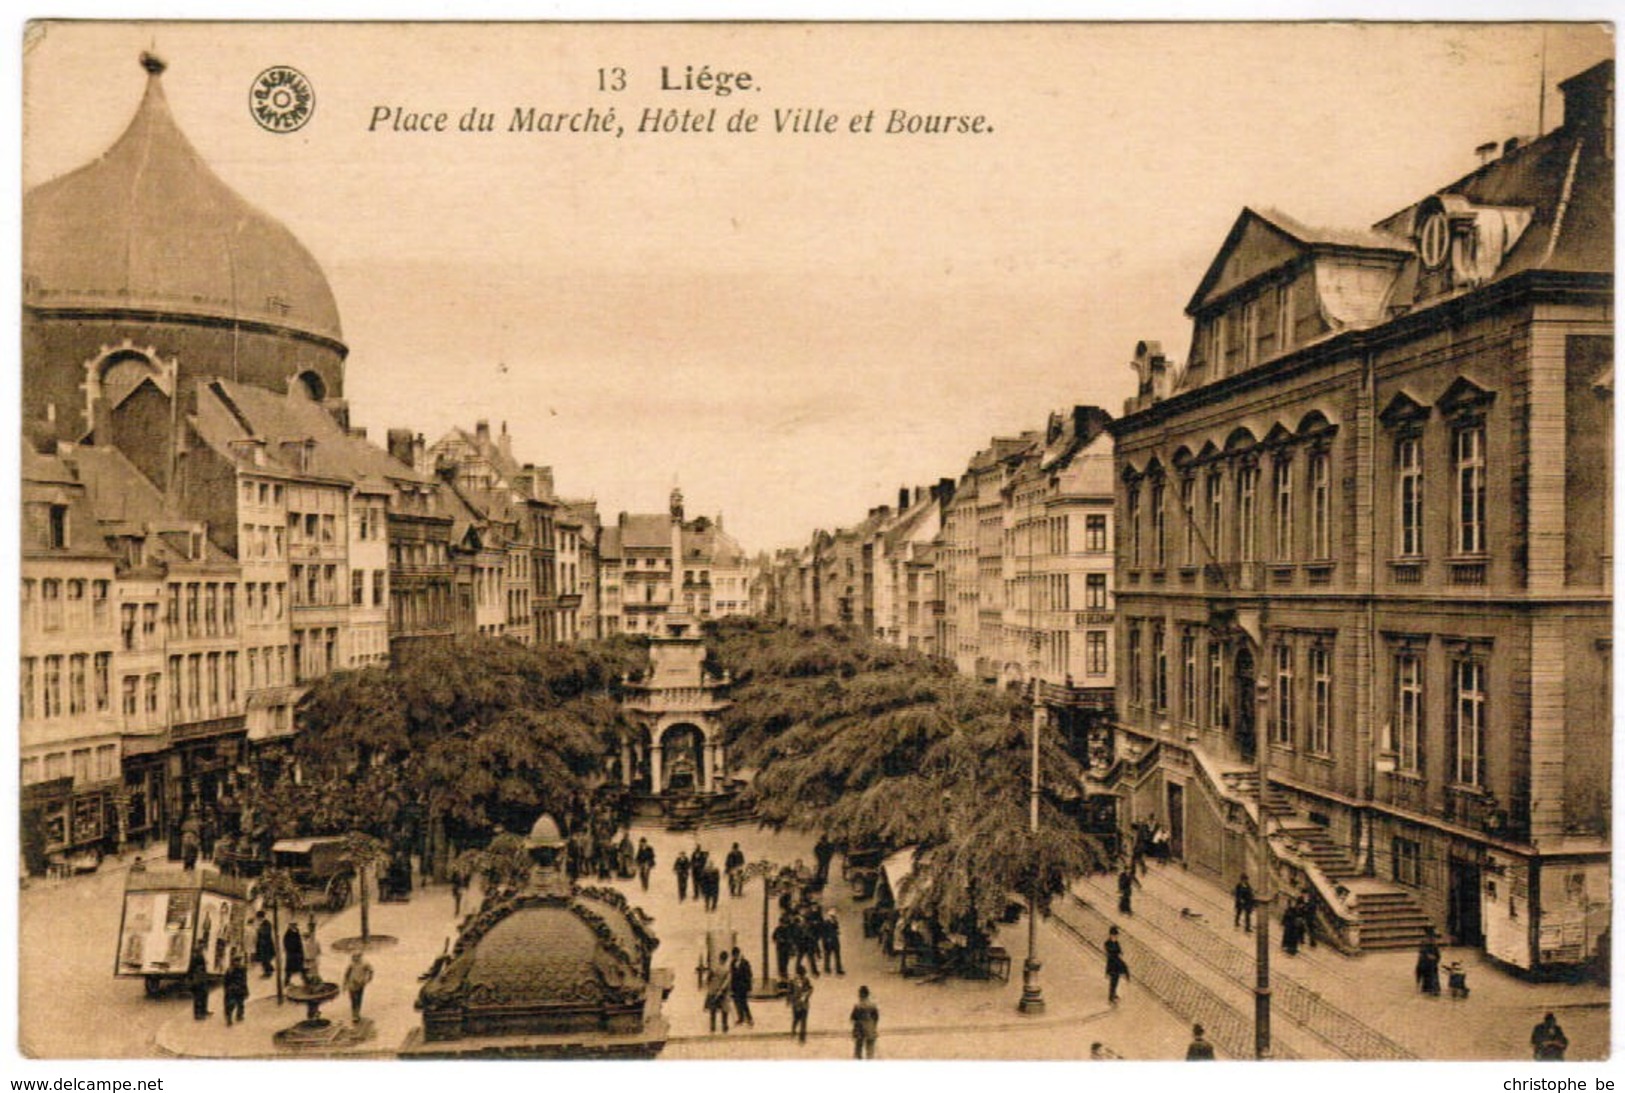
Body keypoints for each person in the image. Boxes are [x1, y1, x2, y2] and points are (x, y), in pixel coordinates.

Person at [343, 950, 374, 1022]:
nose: (354, 959)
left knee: (359, 998)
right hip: (352, 983)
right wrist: (344, 984)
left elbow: (371, 970)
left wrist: (369, 979)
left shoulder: (365, 964)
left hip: (360, 984)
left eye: (356, 957)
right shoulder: (351, 964)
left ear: (360, 957)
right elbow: (346, 974)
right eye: (353, 957)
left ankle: (357, 1013)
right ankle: (354, 1014)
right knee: (353, 999)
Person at [850, 984, 879, 1059]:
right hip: (870, 1026)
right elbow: (876, 1017)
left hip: (860, 1027)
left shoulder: (858, 1005)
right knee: (870, 1047)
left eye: (859, 993)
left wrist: (854, 1026)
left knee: (858, 1046)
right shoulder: (873, 1004)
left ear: (861, 994)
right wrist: (874, 1025)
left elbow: (853, 1017)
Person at [705, 953, 732, 1033]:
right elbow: (727, 981)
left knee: (713, 1010)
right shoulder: (727, 969)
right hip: (723, 992)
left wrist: (711, 986)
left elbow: (708, 979)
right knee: (724, 1010)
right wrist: (721, 989)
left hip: (713, 991)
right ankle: (725, 1027)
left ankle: (712, 1027)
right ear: (726, 959)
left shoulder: (714, 968)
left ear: (719, 958)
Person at [222, 948, 249, 1027]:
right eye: (236, 961)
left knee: (240, 1004)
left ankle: (239, 1016)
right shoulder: (230, 970)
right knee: (231, 1005)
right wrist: (227, 990)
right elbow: (226, 982)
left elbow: (244, 981)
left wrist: (246, 990)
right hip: (232, 990)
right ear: (233, 962)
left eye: (239, 961)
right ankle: (229, 1019)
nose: (238, 962)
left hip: (240, 989)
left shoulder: (243, 969)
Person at [786, 967, 814, 1043]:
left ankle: (802, 1037)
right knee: (796, 1019)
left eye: (803, 974)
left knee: (803, 1021)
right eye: (802, 974)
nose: (802, 976)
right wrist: (789, 1000)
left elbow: (810, 988)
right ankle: (794, 1030)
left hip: (804, 1003)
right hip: (796, 1004)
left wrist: (807, 994)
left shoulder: (806, 980)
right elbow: (789, 992)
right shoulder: (792, 981)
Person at [186, 942, 212, 1020]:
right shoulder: (196, 956)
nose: (202, 947)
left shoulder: (201, 955)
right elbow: (191, 968)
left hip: (202, 978)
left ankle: (203, 1011)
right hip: (198, 979)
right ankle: (198, 1014)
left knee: (204, 995)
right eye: (201, 946)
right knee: (198, 997)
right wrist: (190, 978)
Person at [729, 947, 755, 1027]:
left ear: (738, 954)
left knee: (744, 1003)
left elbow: (749, 975)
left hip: (743, 986)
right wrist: (731, 987)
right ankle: (741, 1018)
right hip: (736, 986)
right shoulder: (733, 963)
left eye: (736, 955)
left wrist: (749, 987)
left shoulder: (745, 963)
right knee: (737, 1003)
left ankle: (749, 1019)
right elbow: (732, 976)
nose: (735, 957)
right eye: (734, 955)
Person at [1104, 925, 1129, 1004]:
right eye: (1115, 935)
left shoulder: (1116, 942)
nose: (1116, 937)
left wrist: (1120, 953)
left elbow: (1119, 951)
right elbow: (1111, 954)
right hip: (1112, 965)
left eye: (1116, 936)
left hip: (1117, 964)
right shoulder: (1107, 943)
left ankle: (1114, 994)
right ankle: (1111, 998)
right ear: (1111, 935)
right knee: (1113, 982)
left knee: (1116, 981)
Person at [282, 919, 306, 988]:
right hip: (292, 954)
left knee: (301, 968)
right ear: (290, 926)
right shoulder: (288, 934)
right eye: (292, 925)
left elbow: (299, 942)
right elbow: (286, 944)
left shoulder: (297, 931)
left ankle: (305, 980)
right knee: (289, 970)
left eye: (295, 925)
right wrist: (291, 950)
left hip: (298, 954)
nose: (294, 926)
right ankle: (286, 982)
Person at [252, 911, 276, 978]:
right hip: (263, 944)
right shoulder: (263, 923)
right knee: (264, 959)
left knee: (265, 959)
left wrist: (258, 930)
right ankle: (270, 969)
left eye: (259, 918)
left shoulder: (266, 923)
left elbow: (266, 933)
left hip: (266, 945)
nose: (258, 919)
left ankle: (268, 973)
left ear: (261, 917)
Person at [823, 907, 845, 974]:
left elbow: (836, 929)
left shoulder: (835, 921)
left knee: (837, 955)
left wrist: (837, 931)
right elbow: (824, 932)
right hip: (829, 941)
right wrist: (826, 940)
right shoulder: (826, 923)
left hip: (835, 940)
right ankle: (827, 969)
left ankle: (838, 969)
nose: (834, 917)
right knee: (828, 955)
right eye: (832, 916)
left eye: (834, 915)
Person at [773, 917, 795, 981]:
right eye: (782, 923)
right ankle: (782, 973)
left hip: (787, 948)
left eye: (785, 923)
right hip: (780, 948)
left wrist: (791, 947)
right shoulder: (778, 929)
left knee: (786, 961)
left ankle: (784, 973)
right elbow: (774, 937)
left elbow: (791, 938)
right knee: (781, 961)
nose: (783, 925)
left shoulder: (789, 929)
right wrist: (779, 940)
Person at [302, 917, 322, 983]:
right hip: (312, 961)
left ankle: (312, 983)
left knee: (310, 976)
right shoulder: (315, 942)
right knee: (313, 975)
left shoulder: (307, 943)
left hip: (310, 961)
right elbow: (319, 952)